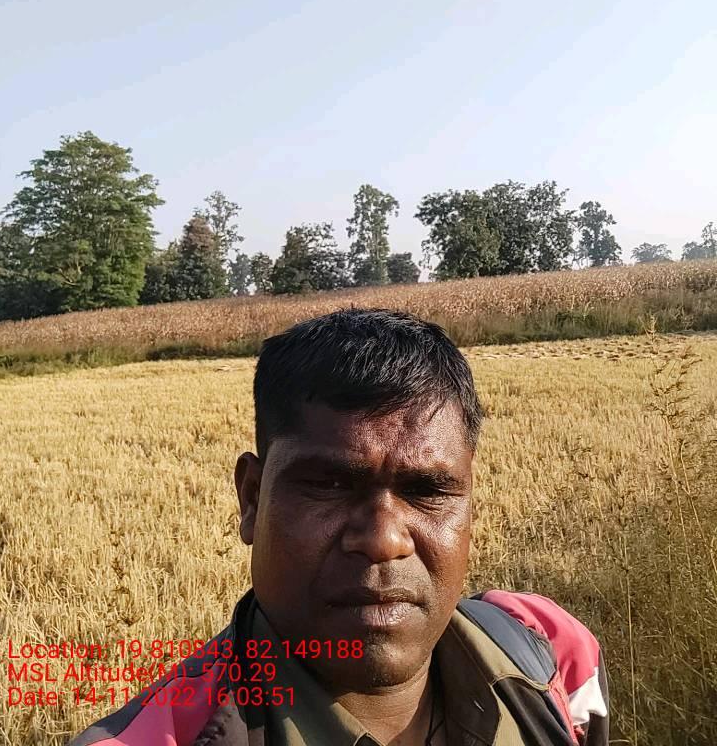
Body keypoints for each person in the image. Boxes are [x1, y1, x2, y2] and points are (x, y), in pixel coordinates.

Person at [71, 308, 608, 746]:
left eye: (427, 491)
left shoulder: (552, 655)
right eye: (329, 485)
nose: (384, 540)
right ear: (252, 498)